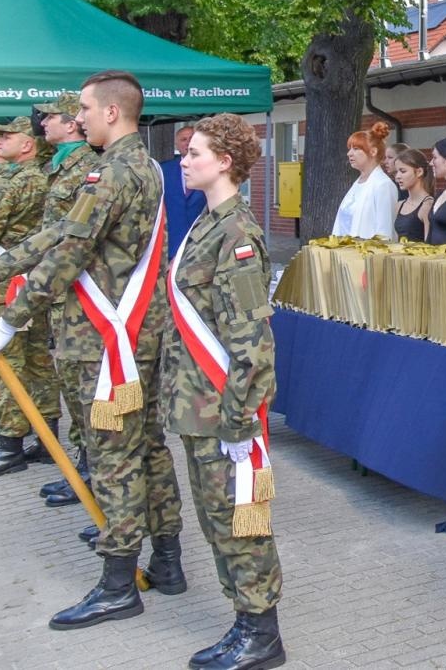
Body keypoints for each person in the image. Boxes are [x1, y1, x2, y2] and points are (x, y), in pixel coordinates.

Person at [0, 70, 185, 630]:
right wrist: (2, 264)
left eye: (82, 107)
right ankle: (168, 561)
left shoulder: (112, 172)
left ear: (110, 112)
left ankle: (118, 584)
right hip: (138, 335)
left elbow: (67, 253)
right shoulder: (142, 165)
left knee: (114, 458)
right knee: (148, 448)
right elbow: (59, 234)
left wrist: (10, 320)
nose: (75, 117)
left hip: (107, 341)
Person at [166, 114, 286, 670]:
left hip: (223, 411)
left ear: (225, 163)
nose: (185, 160)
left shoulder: (237, 236)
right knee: (218, 521)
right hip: (198, 405)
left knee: (241, 521)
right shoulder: (207, 224)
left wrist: (240, 424)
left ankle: (261, 634)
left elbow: (252, 343)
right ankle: (243, 622)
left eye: (195, 153)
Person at [32, 93, 101, 507]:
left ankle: (93, 473)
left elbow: (75, 238)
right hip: (55, 291)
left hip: (77, 294)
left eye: (52, 117)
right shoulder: (56, 165)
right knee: (69, 388)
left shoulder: (88, 169)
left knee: (81, 390)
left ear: (73, 124)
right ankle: (82, 467)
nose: (44, 124)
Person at [0, 116, 54, 476]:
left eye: (6, 136)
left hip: (8, 286)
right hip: (34, 281)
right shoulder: (43, 176)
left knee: (10, 364)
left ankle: (9, 444)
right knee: (37, 361)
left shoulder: (20, 181)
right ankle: (47, 437)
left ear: (27, 143)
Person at [332, 122, 398, 240]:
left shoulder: (383, 185)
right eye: (350, 149)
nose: (349, 153)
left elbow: (384, 233)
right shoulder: (357, 184)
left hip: (366, 256)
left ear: (373, 152)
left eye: (356, 149)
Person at [160, 124, 209, 258]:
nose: (188, 142)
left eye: (191, 138)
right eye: (183, 139)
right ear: (176, 145)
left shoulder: (210, 169)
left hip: (202, 243)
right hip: (172, 243)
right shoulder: (163, 170)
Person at [391, 149, 434, 243]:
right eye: (396, 172)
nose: (397, 176)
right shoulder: (400, 205)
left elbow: (429, 245)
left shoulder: (427, 205)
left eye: (403, 171)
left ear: (419, 172)